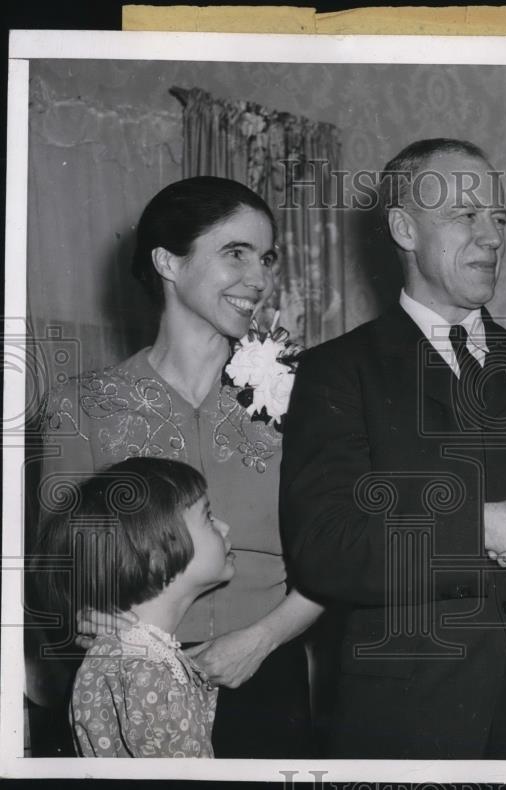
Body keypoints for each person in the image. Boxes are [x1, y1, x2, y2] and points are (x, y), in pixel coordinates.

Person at [280, 138, 506, 759]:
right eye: (465, 215)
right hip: (415, 724)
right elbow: (325, 551)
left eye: (497, 218)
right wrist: (481, 530)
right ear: (403, 228)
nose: (492, 236)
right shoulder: (338, 371)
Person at [32, 176, 322, 757]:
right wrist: (84, 616)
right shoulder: (80, 403)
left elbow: (342, 552)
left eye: (265, 257)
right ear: (168, 261)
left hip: (268, 671)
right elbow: (54, 566)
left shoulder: (308, 394)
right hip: (131, 686)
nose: (259, 278)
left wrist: (262, 641)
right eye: (234, 253)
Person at [38, 458, 232, 758]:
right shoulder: (145, 672)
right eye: (208, 517)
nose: (225, 526)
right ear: (156, 558)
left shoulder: (134, 657)